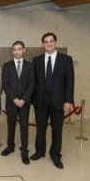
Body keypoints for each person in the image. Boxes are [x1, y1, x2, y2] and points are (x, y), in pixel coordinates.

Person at [30, 32, 74, 169]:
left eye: (51, 41)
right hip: (40, 101)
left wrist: (68, 100)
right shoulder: (36, 60)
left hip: (58, 101)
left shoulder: (66, 59)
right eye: (46, 41)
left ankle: (55, 155)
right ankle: (39, 151)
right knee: (40, 128)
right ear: (42, 44)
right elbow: (33, 82)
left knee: (57, 130)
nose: (49, 44)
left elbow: (70, 82)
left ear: (55, 42)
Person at [1, 41, 35, 165]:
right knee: (11, 125)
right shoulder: (7, 65)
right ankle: (10, 146)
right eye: (14, 49)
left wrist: (23, 99)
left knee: (24, 126)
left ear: (24, 50)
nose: (17, 51)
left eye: (19, 49)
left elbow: (32, 84)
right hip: (11, 102)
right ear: (12, 51)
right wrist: (15, 99)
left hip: (25, 103)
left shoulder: (30, 66)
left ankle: (24, 150)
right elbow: (5, 84)